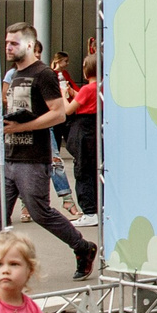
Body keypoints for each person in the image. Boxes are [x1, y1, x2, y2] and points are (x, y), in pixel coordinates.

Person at [0, 24, 96, 289]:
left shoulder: (43, 74)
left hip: (32, 157)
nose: (8, 47)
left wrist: (22, 126)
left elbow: (59, 113)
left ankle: (83, 247)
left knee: (40, 212)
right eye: (7, 42)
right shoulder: (14, 75)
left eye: (14, 43)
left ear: (29, 45)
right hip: (7, 157)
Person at [69, 54, 101, 224]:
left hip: (82, 131)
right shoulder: (102, 88)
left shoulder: (86, 89)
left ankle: (88, 211)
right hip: (95, 129)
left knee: (82, 171)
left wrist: (62, 93)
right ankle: (98, 207)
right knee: (95, 169)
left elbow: (68, 109)